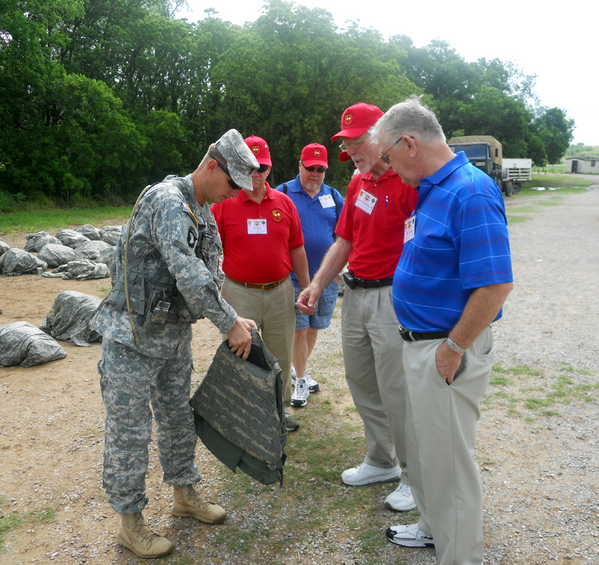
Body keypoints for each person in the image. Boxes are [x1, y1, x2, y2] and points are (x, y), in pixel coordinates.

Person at [94, 129, 260, 559]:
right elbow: (188, 272)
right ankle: (130, 525)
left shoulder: (201, 210)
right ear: (211, 167)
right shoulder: (169, 201)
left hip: (171, 337)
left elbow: (211, 272)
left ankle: (184, 496)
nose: (231, 195)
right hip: (132, 339)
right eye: (230, 185)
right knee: (130, 434)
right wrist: (228, 323)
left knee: (177, 418)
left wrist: (231, 314)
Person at [370, 96, 513, 565]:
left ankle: (460, 556)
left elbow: (495, 284)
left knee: (450, 466)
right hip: (422, 346)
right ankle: (432, 529)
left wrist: (453, 347)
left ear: (409, 144)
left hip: (444, 351)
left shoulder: (469, 191)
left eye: (388, 156)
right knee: (430, 454)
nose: (387, 167)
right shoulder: (435, 188)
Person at [297, 103, 418, 511]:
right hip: (356, 295)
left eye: (355, 141)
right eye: (345, 143)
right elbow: (344, 241)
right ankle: (382, 461)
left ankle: (415, 477)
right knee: (362, 382)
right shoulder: (357, 184)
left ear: (382, 136)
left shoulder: (410, 182)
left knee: (397, 390)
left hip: (391, 297)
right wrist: (317, 284)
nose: (348, 150)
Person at [211, 135, 310, 432]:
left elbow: (297, 248)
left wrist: (306, 288)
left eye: (262, 168)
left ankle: (278, 414)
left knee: (280, 356)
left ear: (270, 169)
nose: (256, 174)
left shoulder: (284, 203)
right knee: (241, 356)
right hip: (239, 293)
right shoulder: (225, 203)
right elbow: (210, 249)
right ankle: (242, 420)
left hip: (280, 291)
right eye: (250, 168)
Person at [275, 143, 344, 408]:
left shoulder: (334, 196)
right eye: (310, 167)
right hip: (293, 279)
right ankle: (301, 379)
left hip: (325, 280)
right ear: (300, 166)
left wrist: (337, 274)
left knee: (315, 327)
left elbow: (343, 234)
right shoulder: (283, 193)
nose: (314, 173)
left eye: (320, 169)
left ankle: (298, 368)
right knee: (299, 331)